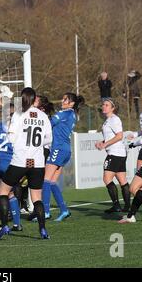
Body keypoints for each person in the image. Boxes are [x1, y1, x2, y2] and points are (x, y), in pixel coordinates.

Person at [0, 87, 53, 240]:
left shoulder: (18, 114)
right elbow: (49, 139)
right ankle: (43, 230)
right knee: (37, 198)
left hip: (20, 160)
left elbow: (11, 138)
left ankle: (4, 225)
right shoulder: (43, 116)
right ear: (34, 100)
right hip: (37, 162)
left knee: (3, 191)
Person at [42, 93, 84, 222]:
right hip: (65, 150)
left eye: (65, 99)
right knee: (53, 182)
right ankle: (64, 210)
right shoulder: (72, 114)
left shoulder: (64, 113)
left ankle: (46, 212)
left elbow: (49, 123)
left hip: (58, 149)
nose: (62, 100)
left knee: (45, 180)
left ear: (71, 103)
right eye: (63, 98)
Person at [95, 98, 131, 214]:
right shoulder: (108, 120)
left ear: (113, 108)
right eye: (103, 105)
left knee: (107, 178)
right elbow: (112, 136)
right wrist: (103, 142)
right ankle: (127, 206)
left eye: (107, 105)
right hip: (119, 153)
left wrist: (105, 144)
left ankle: (116, 205)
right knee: (122, 180)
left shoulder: (114, 119)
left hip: (115, 153)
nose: (104, 106)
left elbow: (119, 136)